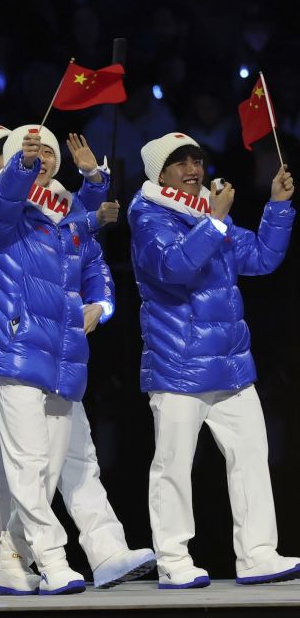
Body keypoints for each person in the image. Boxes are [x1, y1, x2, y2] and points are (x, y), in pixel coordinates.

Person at [0, 127, 154, 590]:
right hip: (13, 347)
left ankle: (88, 552)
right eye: (32, 153)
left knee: (74, 458)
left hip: (63, 352)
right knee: (16, 464)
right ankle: (37, 557)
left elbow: (94, 264)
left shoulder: (65, 214)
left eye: (48, 152)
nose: (42, 158)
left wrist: (101, 304)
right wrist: (22, 168)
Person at [129, 133, 298, 589]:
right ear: (161, 173)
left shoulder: (208, 211)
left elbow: (261, 258)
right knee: (173, 467)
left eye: (197, 161)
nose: (193, 169)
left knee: (252, 457)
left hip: (231, 365)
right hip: (178, 364)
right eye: (181, 162)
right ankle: (173, 559)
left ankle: (258, 554)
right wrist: (216, 220)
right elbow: (173, 268)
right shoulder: (148, 214)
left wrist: (277, 206)